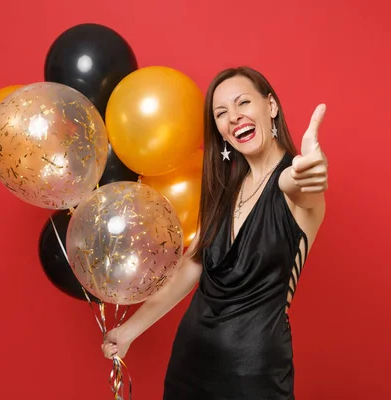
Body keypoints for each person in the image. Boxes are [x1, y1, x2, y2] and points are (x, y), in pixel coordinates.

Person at [101, 66, 328, 399]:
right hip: (190, 365)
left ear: (271, 106)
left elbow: (301, 188)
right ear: (220, 131)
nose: (234, 117)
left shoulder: (293, 182)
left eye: (243, 103)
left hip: (254, 376)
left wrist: (311, 173)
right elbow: (192, 266)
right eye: (222, 113)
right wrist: (130, 331)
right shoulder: (225, 189)